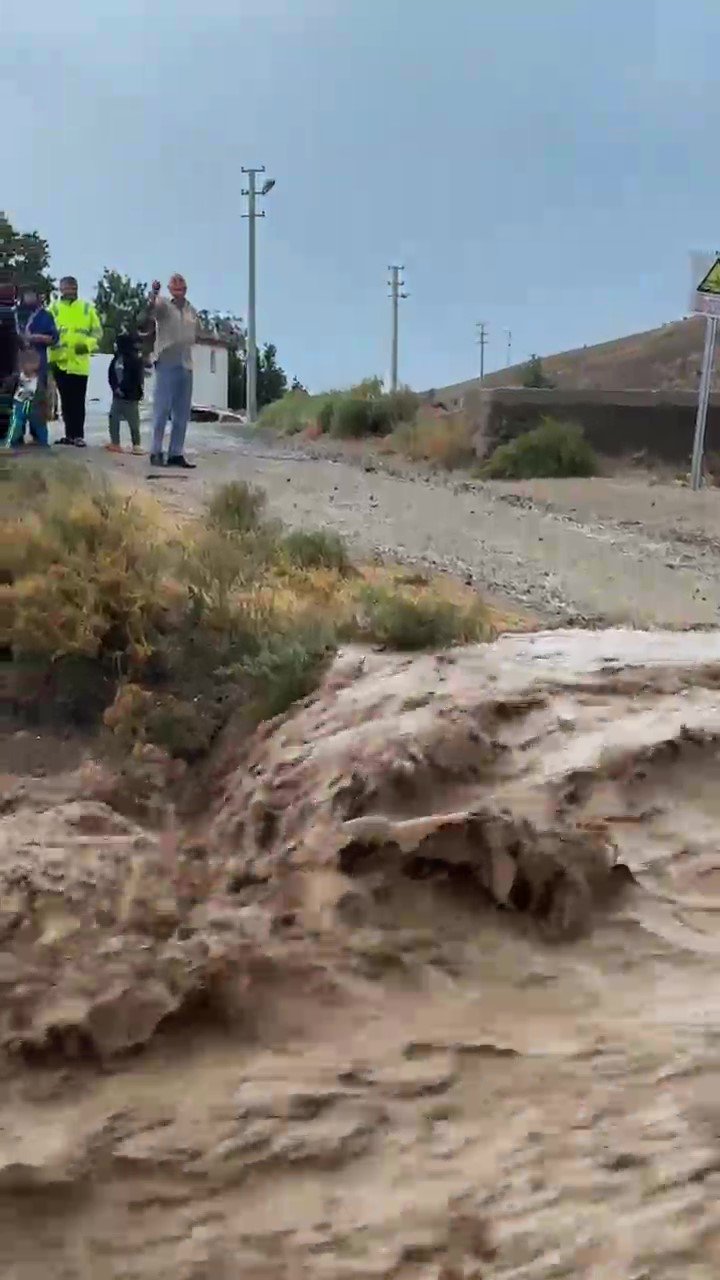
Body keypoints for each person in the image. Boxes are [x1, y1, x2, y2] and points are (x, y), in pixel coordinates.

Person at [146, 273, 199, 468]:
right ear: (169, 290)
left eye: (181, 287)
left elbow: (194, 332)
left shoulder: (191, 310)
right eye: (174, 288)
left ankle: (176, 452)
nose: (178, 291)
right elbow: (151, 307)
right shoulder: (164, 306)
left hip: (185, 361)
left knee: (182, 412)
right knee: (162, 409)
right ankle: (156, 451)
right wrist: (154, 293)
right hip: (167, 359)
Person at [48, 276, 102, 447]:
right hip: (60, 361)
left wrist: (87, 345)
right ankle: (69, 435)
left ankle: (78, 435)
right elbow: (45, 329)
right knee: (65, 401)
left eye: (73, 288)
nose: (71, 291)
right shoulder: (53, 308)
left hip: (79, 363)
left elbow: (97, 333)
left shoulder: (87, 308)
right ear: (61, 289)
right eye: (67, 288)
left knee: (77, 401)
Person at [19, 289, 58, 442]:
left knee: (38, 400)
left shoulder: (45, 316)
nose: (28, 298)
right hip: (18, 362)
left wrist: (35, 337)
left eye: (31, 295)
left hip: (38, 363)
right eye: (25, 295)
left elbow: (53, 338)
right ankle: (17, 435)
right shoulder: (16, 313)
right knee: (18, 400)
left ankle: (38, 436)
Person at [106, 332, 145, 455]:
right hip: (117, 396)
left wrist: (124, 389)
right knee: (113, 418)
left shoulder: (134, 360)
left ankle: (136, 445)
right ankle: (115, 443)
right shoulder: (116, 359)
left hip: (130, 396)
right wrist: (115, 388)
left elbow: (135, 378)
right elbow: (111, 375)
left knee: (133, 422)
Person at [5, 347, 47, 448]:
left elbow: (46, 393)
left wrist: (46, 406)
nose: (31, 366)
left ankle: (43, 443)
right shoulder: (17, 377)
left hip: (35, 405)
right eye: (28, 363)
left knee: (40, 425)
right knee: (16, 424)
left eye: (34, 363)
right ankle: (10, 443)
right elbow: (8, 387)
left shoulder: (40, 378)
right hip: (19, 404)